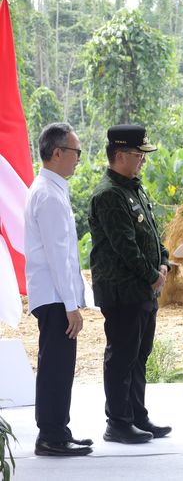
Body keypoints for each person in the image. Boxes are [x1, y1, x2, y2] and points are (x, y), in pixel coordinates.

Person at [89, 125, 171, 444]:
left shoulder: (133, 188)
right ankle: (118, 422)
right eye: (138, 156)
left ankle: (138, 416)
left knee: (139, 355)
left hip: (143, 290)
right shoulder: (108, 194)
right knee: (122, 356)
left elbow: (152, 234)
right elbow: (125, 247)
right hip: (123, 290)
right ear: (120, 155)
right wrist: (153, 275)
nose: (142, 162)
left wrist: (162, 261)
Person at [24, 122, 92, 456]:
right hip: (53, 297)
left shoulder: (53, 187)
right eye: (76, 152)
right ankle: (50, 434)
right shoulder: (47, 194)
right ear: (57, 153)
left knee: (60, 365)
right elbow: (56, 255)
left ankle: (58, 430)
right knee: (55, 366)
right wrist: (70, 305)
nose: (79, 158)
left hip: (55, 295)